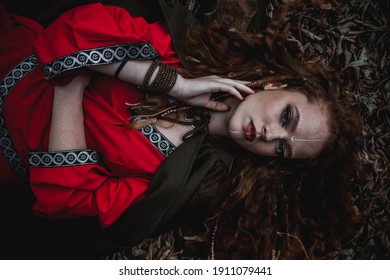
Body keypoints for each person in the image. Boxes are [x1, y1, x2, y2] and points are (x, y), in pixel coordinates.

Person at [0, 0, 362, 259]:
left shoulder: (184, 182)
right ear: (275, 85)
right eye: (286, 118)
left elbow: (68, 196)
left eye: (282, 148)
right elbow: (78, 27)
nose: (271, 135)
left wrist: (71, 84)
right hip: (10, 59)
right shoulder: (182, 55)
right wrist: (175, 84)